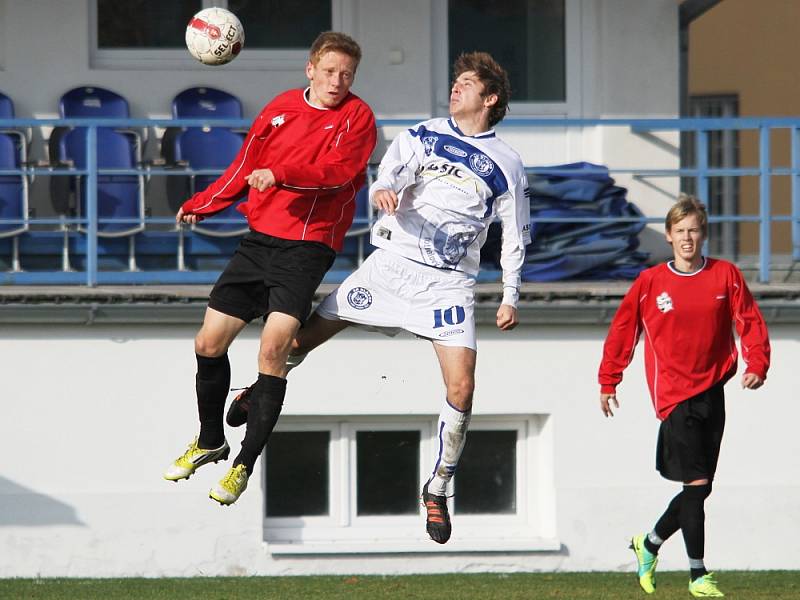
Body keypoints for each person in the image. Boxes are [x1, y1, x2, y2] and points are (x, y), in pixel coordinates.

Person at [227, 51, 531, 544]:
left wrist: (510, 294)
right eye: (454, 81)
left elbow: (516, 235)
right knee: (299, 344)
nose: (455, 89)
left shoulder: (508, 163)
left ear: (490, 98)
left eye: (467, 84)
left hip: (446, 285)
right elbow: (384, 176)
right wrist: (385, 191)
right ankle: (256, 390)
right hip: (390, 268)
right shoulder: (422, 134)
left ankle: (437, 487)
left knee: (463, 389)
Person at [163, 31, 377, 506]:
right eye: (329, 72)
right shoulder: (280, 107)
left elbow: (338, 173)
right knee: (208, 342)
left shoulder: (357, 118)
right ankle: (209, 440)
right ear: (310, 69)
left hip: (307, 248)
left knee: (273, 350)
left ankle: (243, 464)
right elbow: (245, 166)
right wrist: (204, 204)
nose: (337, 81)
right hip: (259, 242)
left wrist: (281, 175)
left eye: (346, 74)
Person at [597, 195, 770, 597]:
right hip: (675, 398)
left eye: (694, 230)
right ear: (670, 236)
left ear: (703, 234)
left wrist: (756, 364)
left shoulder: (725, 276)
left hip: (714, 392)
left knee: (700, 488)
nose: (687, 238)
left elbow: (750, 322)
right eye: (680, 231)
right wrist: (609, 380)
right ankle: (698, 575)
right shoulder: (650, 282)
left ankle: (649, 544)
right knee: (695, 484)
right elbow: (624, 331)